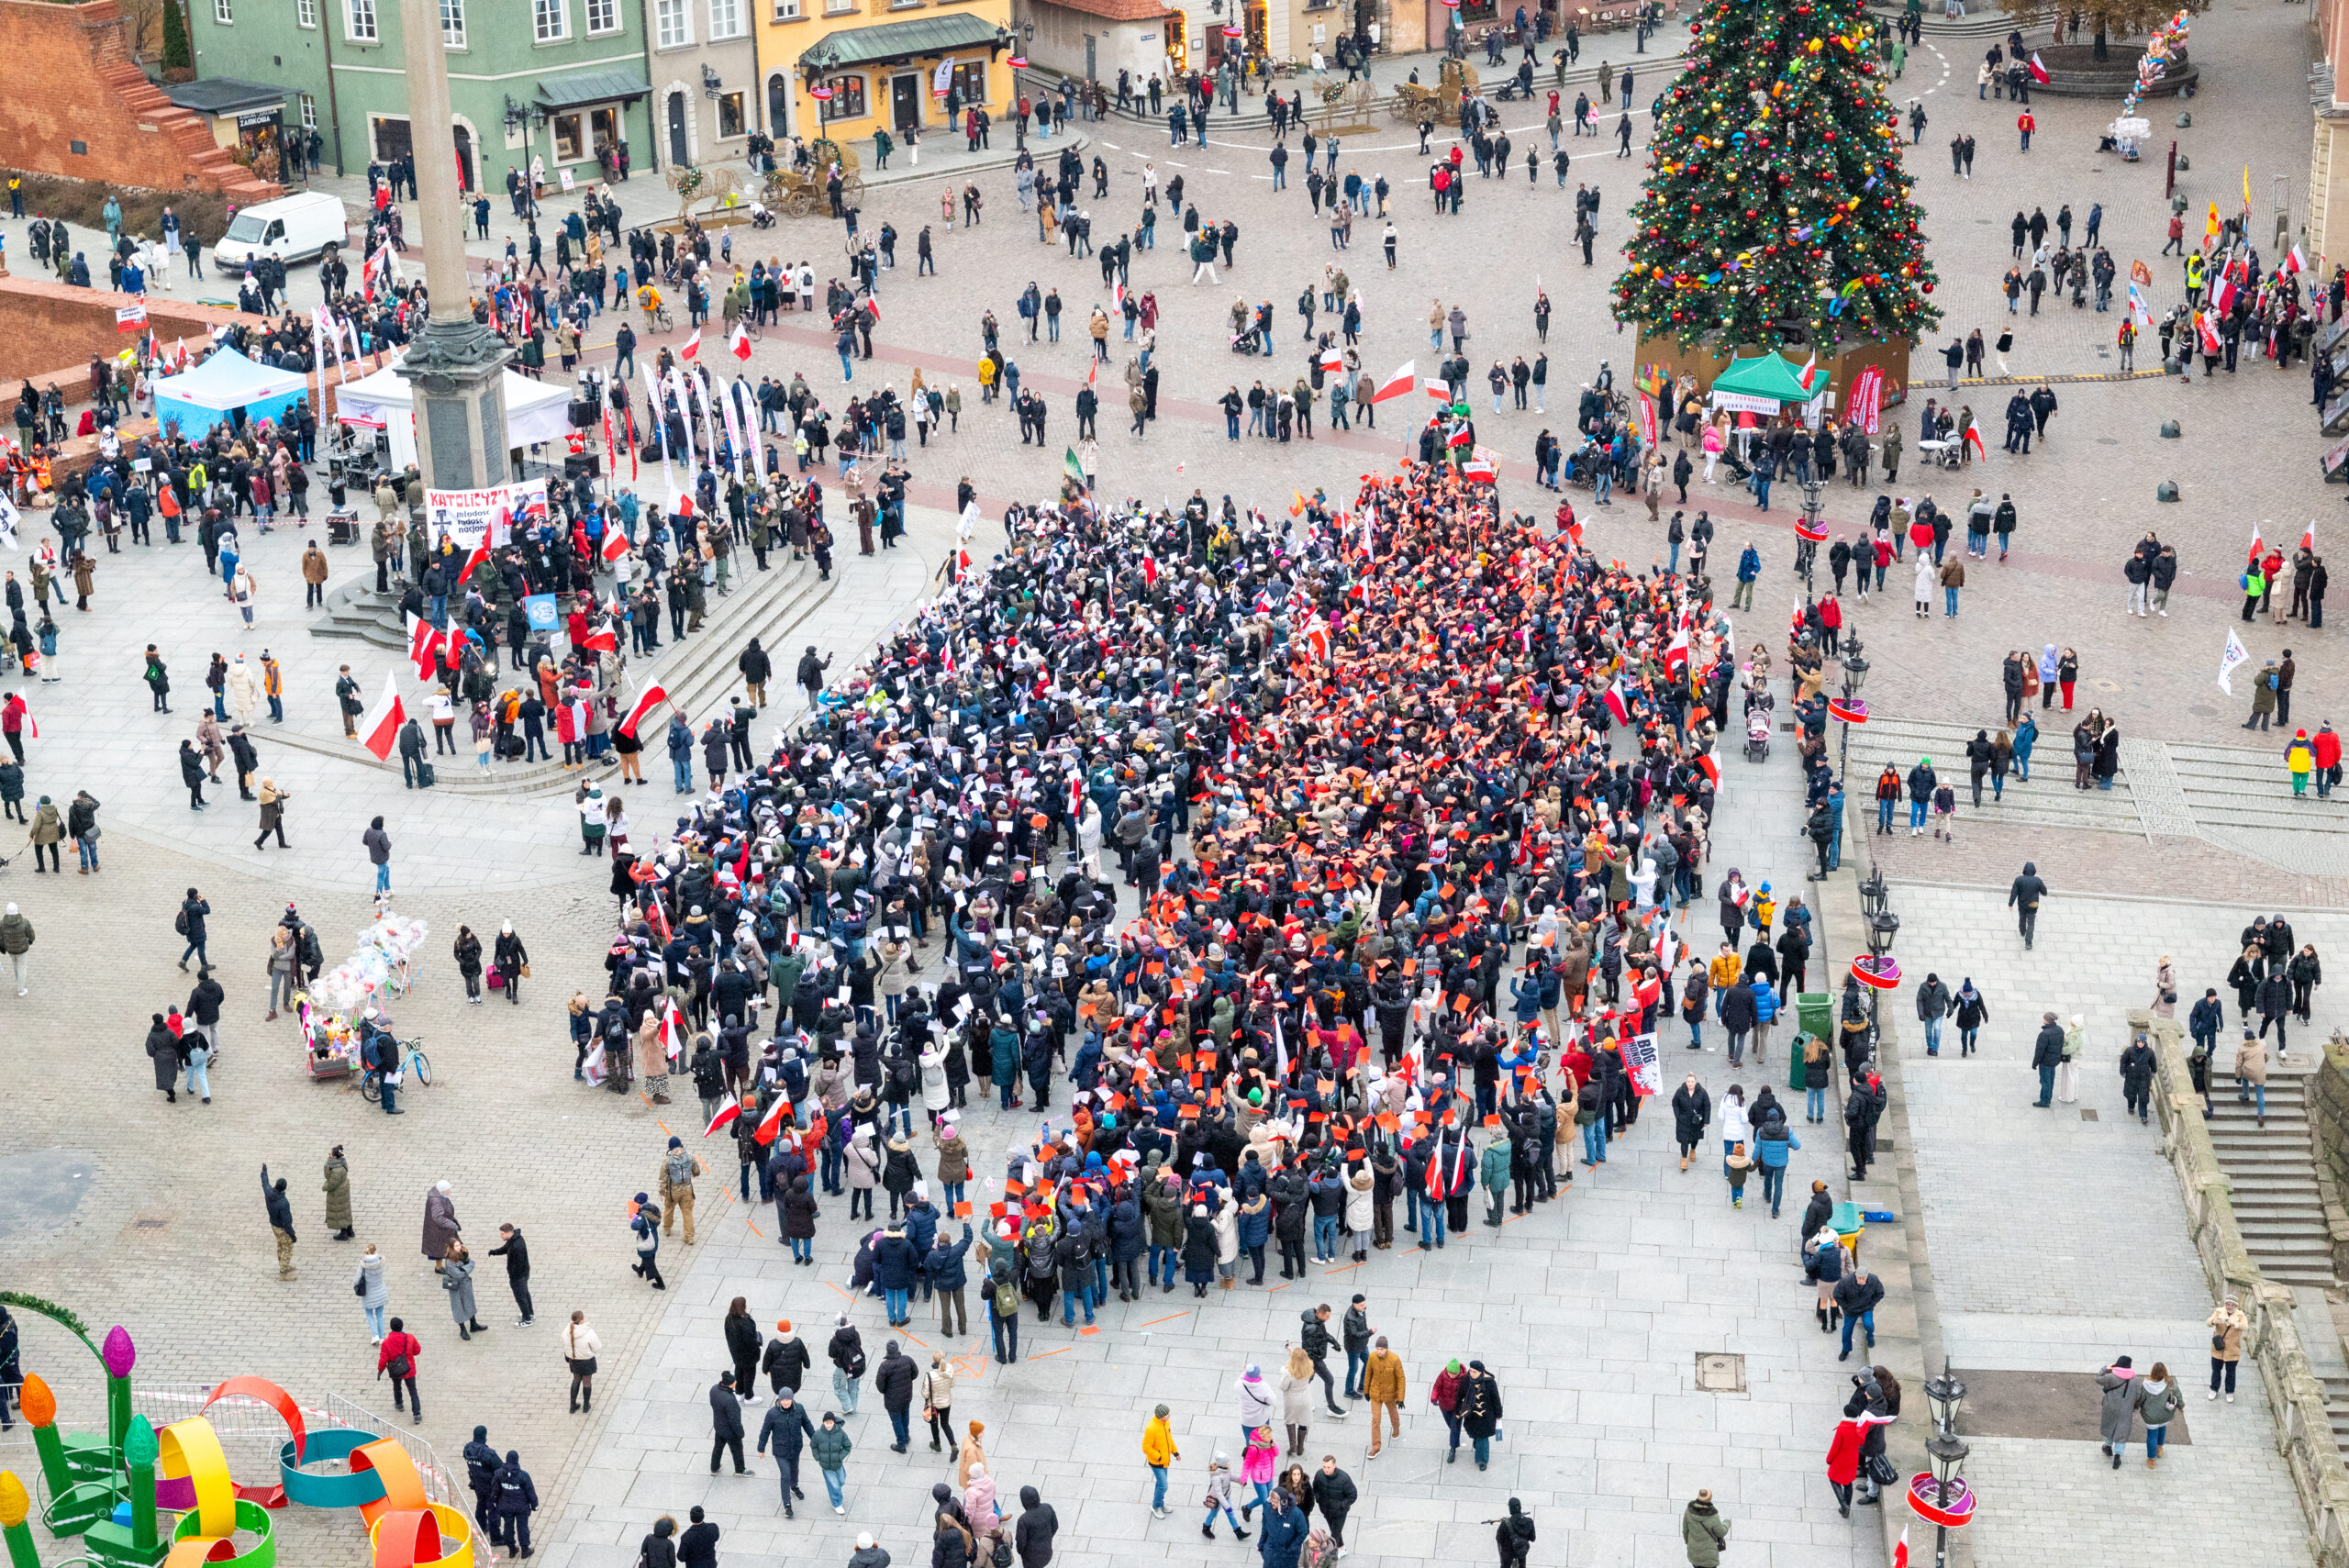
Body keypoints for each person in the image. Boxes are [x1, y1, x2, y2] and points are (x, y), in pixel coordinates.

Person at [757, 1385, 816, 1517]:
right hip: (780, 1450)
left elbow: (807, 1424)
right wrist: (761, 1448)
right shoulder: (772, 1414)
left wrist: (815, 1438)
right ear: (779, 1399)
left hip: (795, 1447)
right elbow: (765, 1431)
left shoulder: (799, 1409)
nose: (785, 1402)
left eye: (788, 1400)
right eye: (783, 1400)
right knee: (785, 1475)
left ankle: (794, 1487)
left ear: (792, 1399)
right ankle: (787, 1505)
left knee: (795, 1470)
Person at [376, 1316, 422, 1421]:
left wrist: (380, 1371)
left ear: (391, 1328)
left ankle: (399, 1404)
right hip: (409, 1369)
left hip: (395, 1370)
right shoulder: (410, 1338)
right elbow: (417, 1350)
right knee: (413, 1391)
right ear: (402, 1326)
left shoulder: (386, 1342)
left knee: (396, 1386)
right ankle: (417, 1415)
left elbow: (383, 1358)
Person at [1143, 1404, 1181, 1518]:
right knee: (1164, 1486)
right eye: (1167, 1414)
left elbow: (1169, 1439)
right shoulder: (1151, 1428)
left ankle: (1160, 1504)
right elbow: (1146, 1447)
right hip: (1157, 1462)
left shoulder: (1166, 1423)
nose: (1169, 1415)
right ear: (1161, 1416)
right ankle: (1155, 1507)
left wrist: (1175, 1452)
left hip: (1165, 1460)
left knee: (1160, 1484)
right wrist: (1158, 1456)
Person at [261, 1162, 296, 1279]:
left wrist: (264, 1172)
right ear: (284, 1188)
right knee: (288, 1247)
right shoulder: (283, 1202)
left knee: (280, 1244)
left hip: (273, 1224)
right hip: (282, 1227)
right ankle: (283, 1270)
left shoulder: (269, 1192)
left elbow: (265, 1183)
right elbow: (286, 1222)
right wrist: (292, 1234)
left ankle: (283, 1264)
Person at [2208, 1296, 2246, 1399]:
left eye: (2232, 1305)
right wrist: (2213, 1321)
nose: (2229, 1306)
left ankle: (2230, 1391)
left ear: (2236, 1306)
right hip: (2218, 1348)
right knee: (2216, 1370)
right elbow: (2208, 1321)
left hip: (2233, 1350)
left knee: (2231, 1373)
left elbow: (2245, 1326)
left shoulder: (2240, 1315)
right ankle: (2214, 1389)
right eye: (2228, 1304)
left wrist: (2235, 1324)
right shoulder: (2219, 1312)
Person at [709, 1370, 748, 1475]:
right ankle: (740, 1470)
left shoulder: (714, 1389)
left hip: (718, 1426)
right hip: (730, 1431)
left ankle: (714, 1468)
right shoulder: (730, 1400)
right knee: (737, 1450)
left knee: (718, 1447)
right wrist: (740, 1433)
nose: (736, 1383)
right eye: (734, 1382)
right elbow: (734, 1420)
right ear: (730, 1384)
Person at [564, 1310, 603, 1412]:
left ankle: (572, 1406)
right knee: (587, 1381)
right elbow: (597, 1347)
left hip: (574, 1360)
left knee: (576, 1379)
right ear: (581, 1320)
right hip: (587, 1361)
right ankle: (586, 1406)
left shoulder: (566, 1331)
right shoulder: (588, 1332)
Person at [1682, 1489, 1730, 1565]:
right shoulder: (1713, 1516)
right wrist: (1727, 1523)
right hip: (1709, 1557)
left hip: (1694, 1552)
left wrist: (1688, 1542)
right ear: (1710, 1498)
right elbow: (1721, 1533)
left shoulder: (1688, 1512)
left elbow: (1685, 1531)